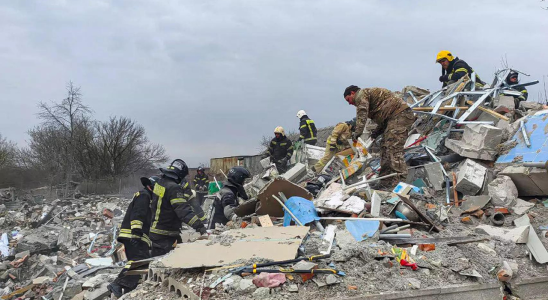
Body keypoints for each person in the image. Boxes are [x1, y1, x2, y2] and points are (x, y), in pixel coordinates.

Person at [343, 85, 415, 185]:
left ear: (352, 93)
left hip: (400, 115)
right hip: (393, 118)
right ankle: (385, 180)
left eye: (348, 100)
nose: (350, 103)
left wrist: (357, 133)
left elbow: (362, 114)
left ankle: (401, 181)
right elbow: (384, 118)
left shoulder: (361, 95)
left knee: (393, 147)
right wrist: (376, 133)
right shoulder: (371, 99)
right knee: (385, 147)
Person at [108, 175, 158, 297]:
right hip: (134, 235)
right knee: (139, 260)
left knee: (138, 261)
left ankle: (125, 287)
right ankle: (118, 284)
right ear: (151, 187)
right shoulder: (144, 196)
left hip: (133, 235)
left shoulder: (146, 196)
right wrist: (136, 233)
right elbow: (138, 214)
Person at [149, 159, 207, 256]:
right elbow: (183, 211)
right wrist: (200, 226)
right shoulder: (173, 188)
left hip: (157, 231)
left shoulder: (160, 183)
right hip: (166, 234)